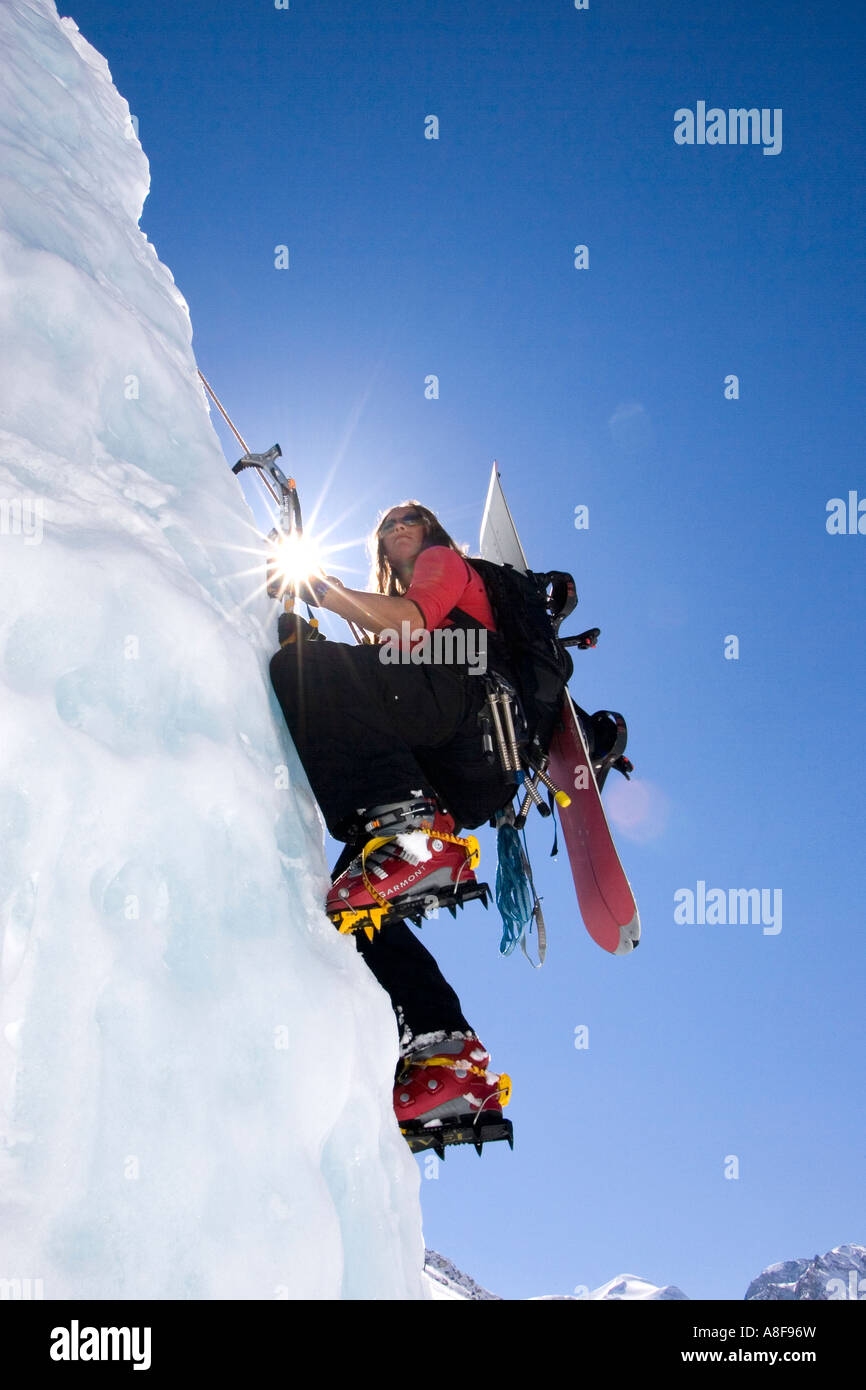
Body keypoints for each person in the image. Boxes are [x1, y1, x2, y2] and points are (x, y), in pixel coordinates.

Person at [268, 501, 516, 1134]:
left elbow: (410, 623)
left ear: (432, 530)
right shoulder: (404, 609)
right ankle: (446, 1054)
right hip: (443, 760)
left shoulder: (443, 565)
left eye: (410, 518)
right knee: (351, 909)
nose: (396, 527)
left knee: (306, 669)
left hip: (456, 703)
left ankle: (407, 835)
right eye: (386, 525)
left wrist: (316, 593)